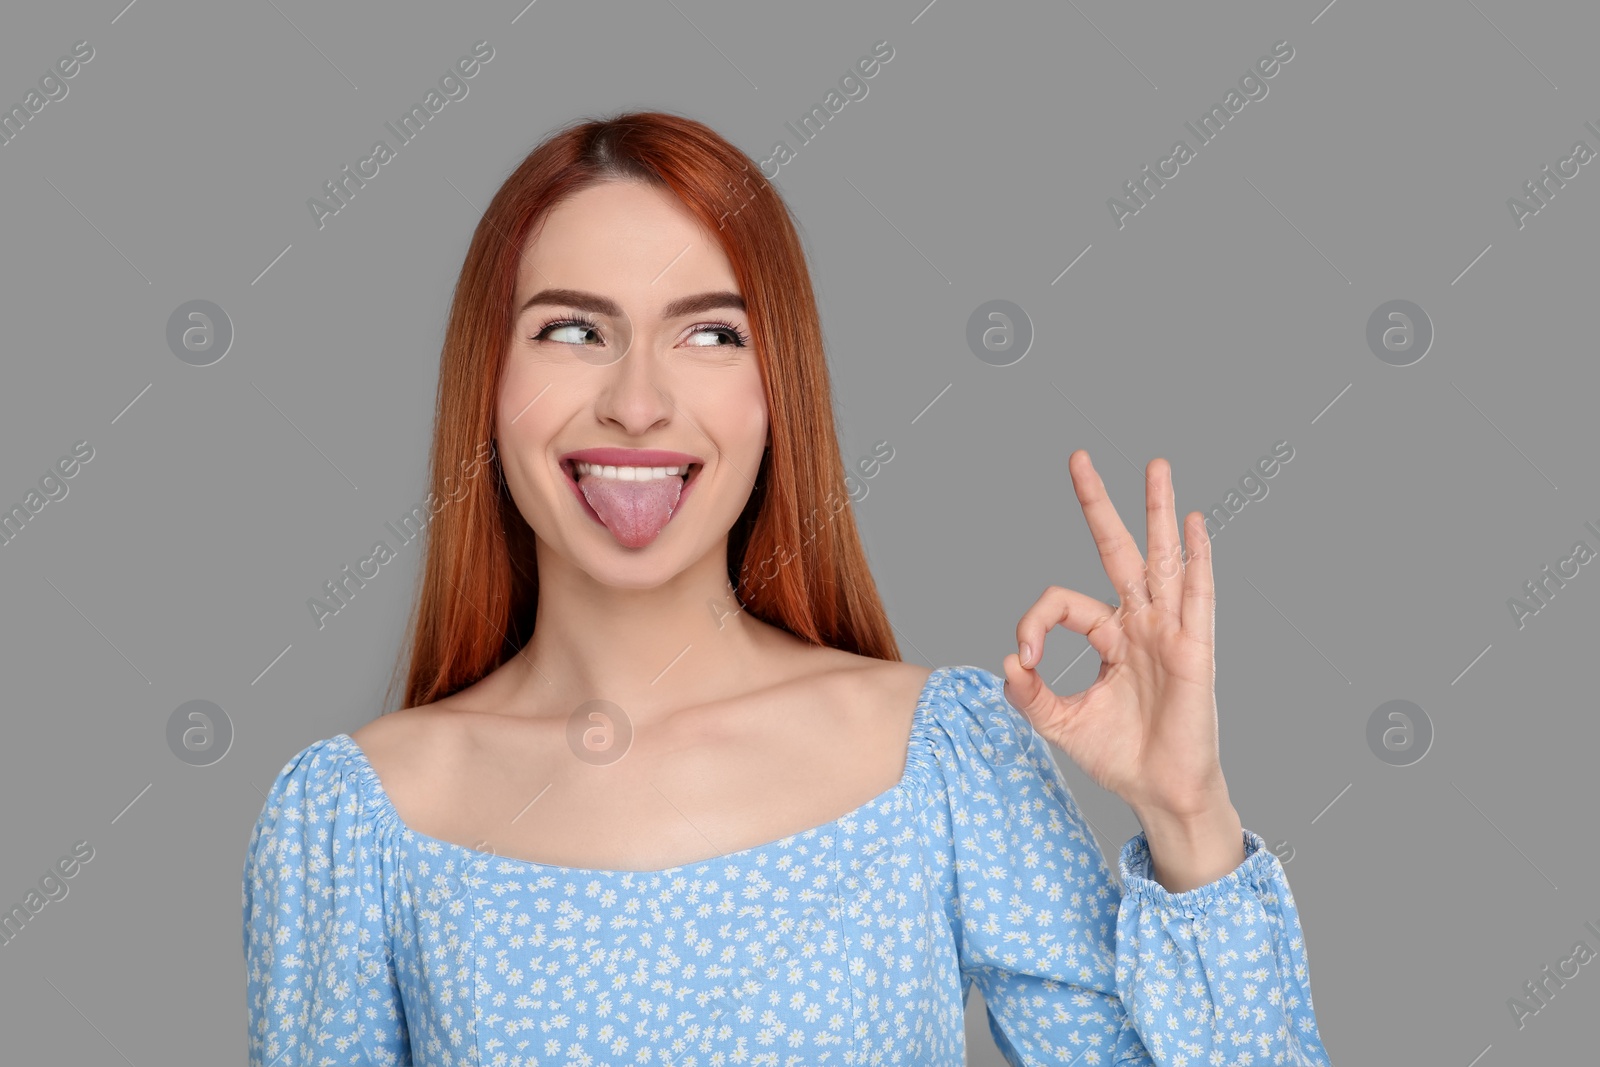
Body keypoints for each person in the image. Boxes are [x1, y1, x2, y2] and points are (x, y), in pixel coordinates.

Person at [242, 111, 1331, 1066]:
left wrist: (1189, 813)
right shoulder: (352, 820)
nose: (636, 400)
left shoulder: (943, 758)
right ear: (489, 380)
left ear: (778, 389)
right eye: (572, 330)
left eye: (710, 333)